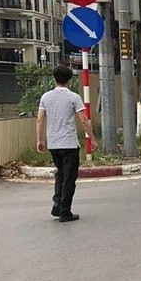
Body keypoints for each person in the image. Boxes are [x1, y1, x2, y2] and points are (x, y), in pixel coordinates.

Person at [36, 65, 97, 222]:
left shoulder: (45, 97)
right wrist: (92, 138)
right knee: (69, 178)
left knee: (60, 174)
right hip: (69, 144)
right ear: (69, 80)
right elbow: (83, 120)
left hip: (54, 144)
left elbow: (40, 119)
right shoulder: (73, 97)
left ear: (54, 78)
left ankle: (57, 204)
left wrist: (40, 140)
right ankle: (65, 211)